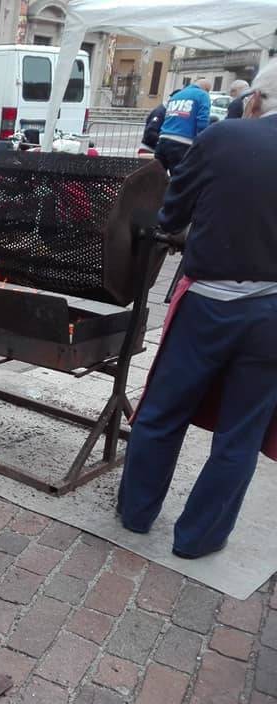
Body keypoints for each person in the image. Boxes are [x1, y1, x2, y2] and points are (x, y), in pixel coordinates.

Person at [117, 61, 277, 560]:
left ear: (254, 100)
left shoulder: (225, 138)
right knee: (240, 435)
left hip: (208, 303)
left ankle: (137, 513)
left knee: (164, 412)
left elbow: (172, 213)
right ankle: (200, 538)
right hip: (272, 315)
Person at [154, 78, 211, 174]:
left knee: (158, 178)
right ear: (206, 89)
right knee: (179, 180)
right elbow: (203, 121)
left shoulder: (176, 96)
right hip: (183, 143)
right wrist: (200, 144)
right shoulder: (202, 95)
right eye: (208, 91)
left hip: (163, 140)